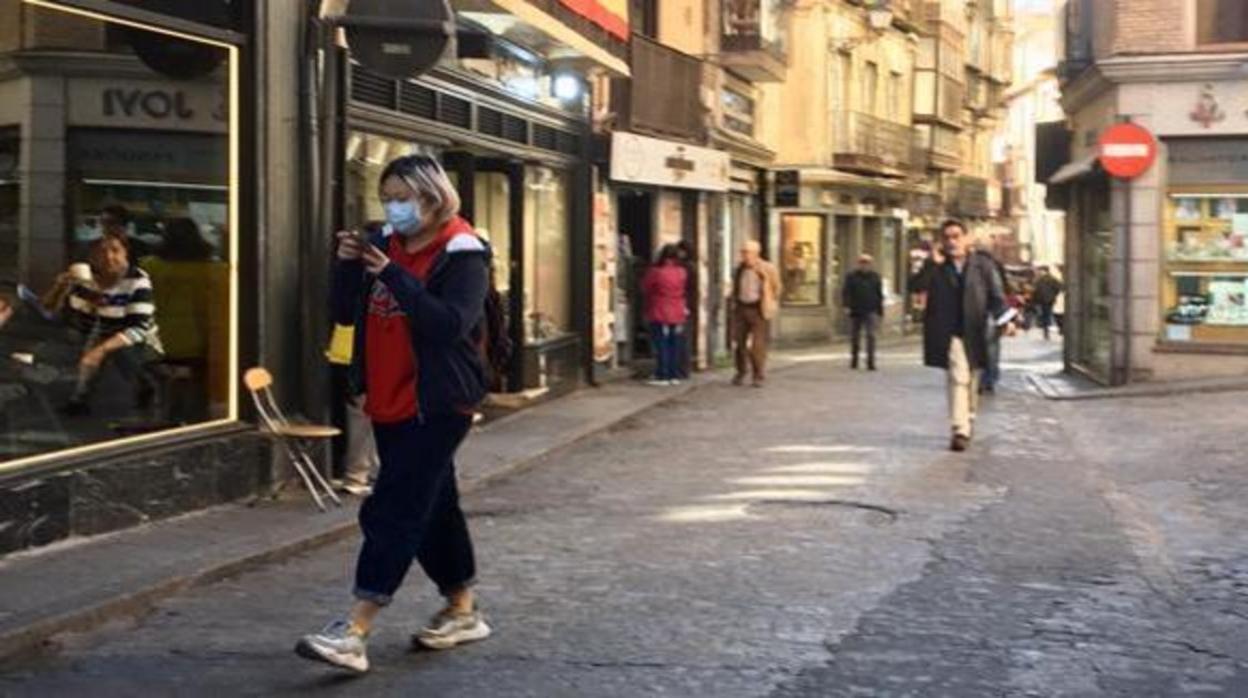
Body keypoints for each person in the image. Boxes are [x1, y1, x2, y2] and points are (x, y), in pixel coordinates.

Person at [296, 155, 492, 673]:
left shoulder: (462, 251)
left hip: (439, 403)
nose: (394, 208)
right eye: (387, 198)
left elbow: (450, 324)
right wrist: (345, 264)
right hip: (386, 399)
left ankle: (355, 629)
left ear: (433, 197)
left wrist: (397, 278)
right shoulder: (385, 245)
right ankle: (463, 608)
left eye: (404, 197)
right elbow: (344, 312)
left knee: (394, 507)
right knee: (434, 506)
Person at [912, 220, 1014, 453]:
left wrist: (1006, 320)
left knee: (973, 378)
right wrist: (930, 265)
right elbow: (915, 286)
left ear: (966, 238)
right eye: (947, 237)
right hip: (948, 331)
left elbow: (996, 296)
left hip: (976, 330)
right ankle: (960, 429)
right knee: (959, 376)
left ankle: (967, 416)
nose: (952, 242)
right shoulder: (937, 266)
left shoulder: (983, 265)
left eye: (956, 236)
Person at [40, 230, 164, 416]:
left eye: (115, 250)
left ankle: (148, 385)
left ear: (125, 253)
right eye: (101, 252)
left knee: (124, 355)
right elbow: (48, 309)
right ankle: (80, 399)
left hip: (133, 337)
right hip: (95, 331)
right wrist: (60, 287)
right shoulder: (85, 279)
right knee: (82, 354)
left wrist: (101, 350)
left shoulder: (136, 280)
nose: (108, 257)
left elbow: (138, 328)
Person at [731, 240, 782, 388]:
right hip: (741, 307)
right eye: (743, 252)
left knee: (757, 345)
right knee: (739, 342)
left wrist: (770, 301)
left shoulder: (767, 268)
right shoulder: (739, 269)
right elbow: (735, 287)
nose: (744, 255)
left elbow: (777, 287)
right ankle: (740, 372)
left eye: (747, 252)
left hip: (759, 309)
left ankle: (758, 375)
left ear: (756, 253)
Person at [640, 245, 689, 386]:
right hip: (678, 310)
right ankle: (674, 374)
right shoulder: (682, 272)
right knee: (674, 343)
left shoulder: (656, 272)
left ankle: (662, 374)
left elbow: (645, 287)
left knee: (661, 343)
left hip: (660, 310)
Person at [842, 254, 884, 371]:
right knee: (855, 336)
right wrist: (846, 306)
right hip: (856, 310)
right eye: (862, 263)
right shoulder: (851, 277)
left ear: (870, 265)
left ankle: (871, 362)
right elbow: (846, 292)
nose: (865, 265)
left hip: (870, 310)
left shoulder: (875, 277)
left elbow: (879, 294)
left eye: (867, 263)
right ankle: (854, 359)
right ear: (859, 264)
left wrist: (880, 310)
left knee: (871, 336)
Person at [1032, 266, 1064, 341]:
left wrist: (1053, 295)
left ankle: (1047, 330)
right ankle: (1048, 330)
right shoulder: (1049, 279)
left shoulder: (1042, 280)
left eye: (1040, 270)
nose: (1039, 272)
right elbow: (1060, 287)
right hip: (1047, 300)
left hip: (1044, 300)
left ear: (1044, 271)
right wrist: (1054, 295)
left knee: (1046, 315)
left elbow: (1036, 291)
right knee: (1047, 314)